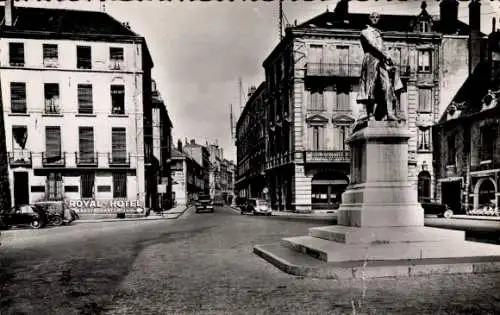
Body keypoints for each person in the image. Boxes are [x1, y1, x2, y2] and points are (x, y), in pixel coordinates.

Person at [357, 12, 404, 121]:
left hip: (382, 61)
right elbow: (374, 44)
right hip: (371, 60)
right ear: (368, 19)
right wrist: (387, 55)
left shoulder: (379, 33)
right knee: (370, 87)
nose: (375, 19)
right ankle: (370, 114)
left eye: (377, 17)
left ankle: (389, 113)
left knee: (387, 86)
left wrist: (388, 59)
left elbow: (382, 47)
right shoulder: (365, 32)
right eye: (372, 17)